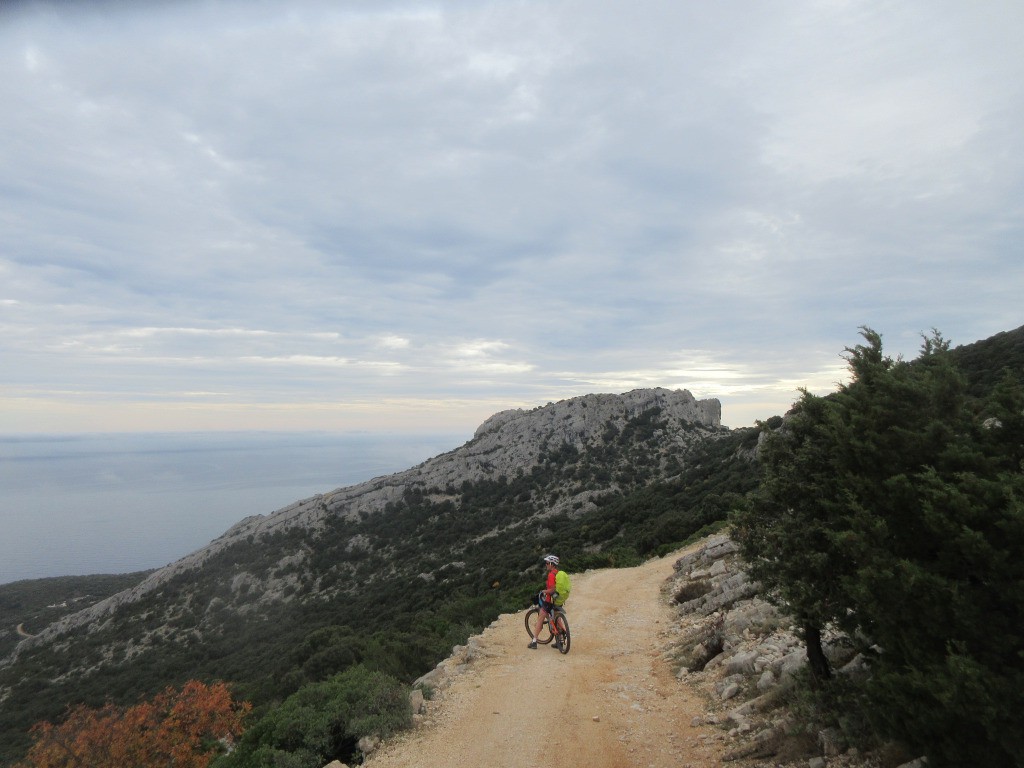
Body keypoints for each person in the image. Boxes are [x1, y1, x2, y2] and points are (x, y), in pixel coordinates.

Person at [528, 554, 563, 650]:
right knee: (557, 618)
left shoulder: (551, 575)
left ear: (552, 564)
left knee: (541, 617)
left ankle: (534, 641)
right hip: (558, 600)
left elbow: (552, 590)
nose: (546, 565)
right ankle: (560, 639)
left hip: (549, 600)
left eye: (547, 563)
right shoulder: (558, 573)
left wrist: (543, 591)